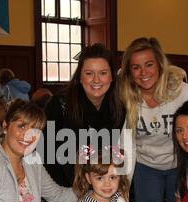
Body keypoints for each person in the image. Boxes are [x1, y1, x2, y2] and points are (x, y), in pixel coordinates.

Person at [118, 37, 188, 202]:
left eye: (149, 64)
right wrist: (121, 182)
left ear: (160, 65)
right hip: (146, 166)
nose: (143, 72)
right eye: (136, 67)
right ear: (129, 72)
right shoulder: (125, 97)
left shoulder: (182, 92)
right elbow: (123, 143)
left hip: (180, 165)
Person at [43, 43, 126, 187]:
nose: (96, 80)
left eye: (103, 73)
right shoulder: (58, 105)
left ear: (112, 77)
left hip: (104, 189)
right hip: (64, 191)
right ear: (80, 77)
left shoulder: (119, 106)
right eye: (89, 73)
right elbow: (47, 156)